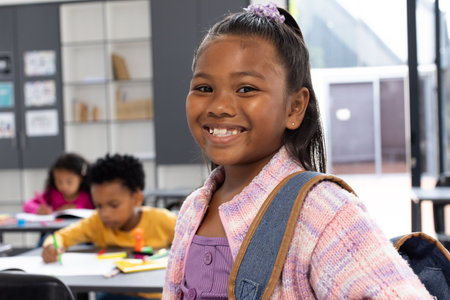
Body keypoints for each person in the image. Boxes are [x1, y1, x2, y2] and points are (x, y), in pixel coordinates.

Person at [163, 3, 432, 299]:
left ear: (295, 107)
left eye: (245, 89)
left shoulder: (323, 210)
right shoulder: (192, 209)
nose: (219, 107)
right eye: (204, 88)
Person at [41, 153, 177, 300]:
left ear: (137, 198)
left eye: (114, 205)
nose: (105, 213)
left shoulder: (163, 220)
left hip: (154, 296)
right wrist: (51, 247)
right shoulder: (96, 222)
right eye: (99, 206)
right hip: (113, 294)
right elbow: (60, 236)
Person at [23, 152, 93, 215]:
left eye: (69, 182)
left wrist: (77, 209)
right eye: (59, 181)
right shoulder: (52, 193)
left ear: (81, 179)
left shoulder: (88, 196)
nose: (63, 186)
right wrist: (38, 210)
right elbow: (27, 205)